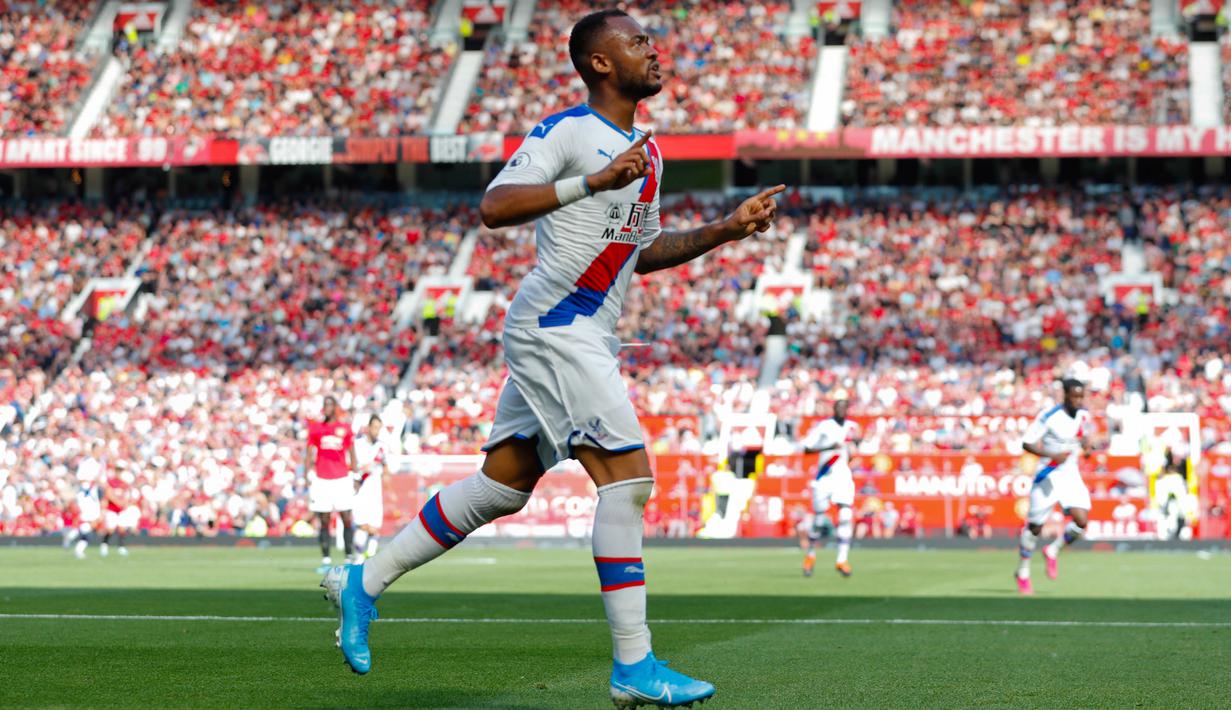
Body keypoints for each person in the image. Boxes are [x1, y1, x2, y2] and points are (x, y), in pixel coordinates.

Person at [321, 9, 784, 707]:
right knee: (626, 482)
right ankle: (634, 665)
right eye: (636, 42)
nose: (653, 51)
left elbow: (638, 253)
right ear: (600, 63)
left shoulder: (648, 153)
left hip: (587, 331)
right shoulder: (569, 132)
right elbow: (494, 204)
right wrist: (590, 184)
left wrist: (724, 229)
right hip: (554, 328)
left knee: (502, 486)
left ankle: (363, 582)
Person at [1014, 379, 1094, 595]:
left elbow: (1084, 437)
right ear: (1065, 395)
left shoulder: (1084, 414)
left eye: (1081, 396)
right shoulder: (1049, 416)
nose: (1078, 400)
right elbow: (1027, 442)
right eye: (1074, 396)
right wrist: (1052, 455)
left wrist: (1088, 446)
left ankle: (1053, 549)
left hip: (1070, 474)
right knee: (1035, 528)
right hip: (1048, 474)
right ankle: (1022, 571)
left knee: (1081, 521)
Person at [801, 399, 861, 578]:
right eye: (839, 407)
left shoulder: (853, 427)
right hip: (824, 476)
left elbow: (853, 450)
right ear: (834, 409)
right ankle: (811, 555)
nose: (841, 410)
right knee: (819, 520)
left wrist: (852, 452)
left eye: (844, 407)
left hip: (842, 476)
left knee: (845, 516)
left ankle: (842, 559)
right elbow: (806, 449)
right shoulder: (824, 426)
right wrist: (829, 447)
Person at [306, 396, 358, 573]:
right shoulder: (316, 429)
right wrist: (307, 473)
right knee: (324, 519)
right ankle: (326, 559)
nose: (326, 408)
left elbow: (352, 452)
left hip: (342, 478)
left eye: (329, 405)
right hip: (322, 479)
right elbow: (309, 451)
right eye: (324, 404)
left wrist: (356, 475)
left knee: (346, 517)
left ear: (335, 407)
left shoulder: (344, 428)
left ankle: (349, 557)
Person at [351, 415, 389, 561]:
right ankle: (359, 557)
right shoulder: (357, 444)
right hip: (360, 488)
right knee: (362, 524)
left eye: (379, 428)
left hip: (375, 489)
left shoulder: (382, 446)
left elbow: (386, 467)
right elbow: (350, 464)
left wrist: (389, 488)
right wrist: (360, 470)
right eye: (374, 427)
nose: (377, 431)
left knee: (374, 526)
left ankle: (368, 557)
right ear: (368, 427)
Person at [70, 441, 105, 559]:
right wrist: (91, 481)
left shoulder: (99, 463)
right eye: (99, 448)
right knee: (88, 520)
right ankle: (75, 537)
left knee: (94, 521)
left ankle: (76, 539)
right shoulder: (87, 462)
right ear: (94, 449)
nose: (101, 451)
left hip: (93, 494)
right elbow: (79, 478)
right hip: (86, 494)